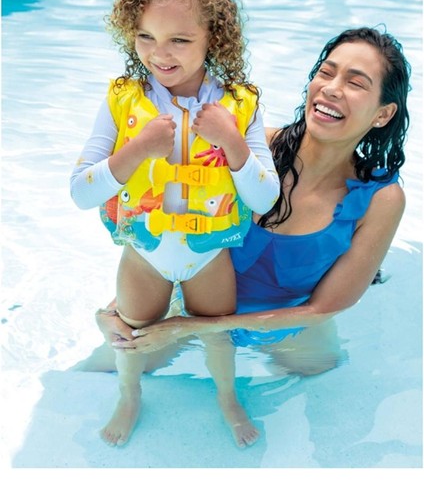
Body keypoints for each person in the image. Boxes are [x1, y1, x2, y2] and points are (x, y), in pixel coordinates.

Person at [90, 26, 411, 447]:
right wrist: (117, 309)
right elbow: (167, 227)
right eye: (326, 72)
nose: (332, 88)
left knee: (322, 373)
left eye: (355, 83)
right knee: (101, 368)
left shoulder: (381, 199)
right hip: (196, 296)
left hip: (281, 322)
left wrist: (189, 329)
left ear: (383, 114)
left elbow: (324, 308)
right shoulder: (250, 150)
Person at [70, 0, 280, 448]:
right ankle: (129, 394)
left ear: (214, 36)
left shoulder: (239, 105)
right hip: (144, 253)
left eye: (180, 40)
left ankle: (227, 395)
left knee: (215, 333)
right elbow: (80, 191)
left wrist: (231, 141)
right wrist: (137, 150)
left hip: (209, 255)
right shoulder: (123, 100)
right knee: (131, 334)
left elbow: (265, 198)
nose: (159, 54)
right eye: (145, 36)